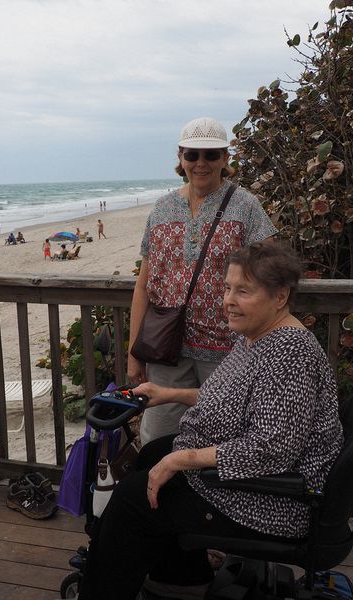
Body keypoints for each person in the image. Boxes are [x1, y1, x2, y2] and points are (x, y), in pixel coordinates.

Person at [78, 242, 344, 599]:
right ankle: (180, 578)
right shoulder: (256, 335)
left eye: (243, 291)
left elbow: (272, 448)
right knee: (150, 454)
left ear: (280, 297)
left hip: (273, 501)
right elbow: (236, 400)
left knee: (130, 501)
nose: (228, 300)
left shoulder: (289, 353)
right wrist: (169, 393)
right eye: (227, 288)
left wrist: (180, 459)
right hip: (249, 478)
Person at [129, 116, 277, 445]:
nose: (200, 163)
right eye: (192, 155)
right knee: (157, 438)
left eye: (211, 155)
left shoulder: (246, 205)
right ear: (180, 159)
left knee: (224, 435)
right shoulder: (162, 208)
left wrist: (260, 339)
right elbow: (143, 285)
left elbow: (271, 275)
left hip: (229, 350)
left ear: (225, 159)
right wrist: (133, 353)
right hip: (168, 348)